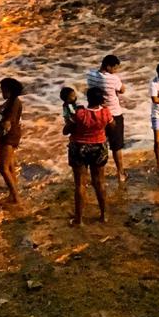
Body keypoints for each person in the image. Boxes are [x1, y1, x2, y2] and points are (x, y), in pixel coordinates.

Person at [63, 86, 112, 225]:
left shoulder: (80, 114)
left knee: (80, 184)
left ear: (88, 99)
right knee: (99, 182)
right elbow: (112, 126)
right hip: (99, 147)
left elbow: (66, 131)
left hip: (79, 148)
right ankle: (104, 215)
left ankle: (79, 219)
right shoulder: (105, 112)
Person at [86, 54, 128, 182]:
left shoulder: (90, 75)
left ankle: (98, 175)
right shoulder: (113, 79)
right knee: (116, 146)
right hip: (113, 114)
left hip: (97, 113)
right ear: (108, 67)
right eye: (115, 68)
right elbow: (122, 90)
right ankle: (120, 173)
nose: (116, 70)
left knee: (99, 144)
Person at [0, 78, 24, 205]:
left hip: (9, 137)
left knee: (3, 168)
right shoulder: (13, 101)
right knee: (10, 165)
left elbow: (8, 123)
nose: (1, 92)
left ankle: (16, 197)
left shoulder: (13, 103)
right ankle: (12, 195)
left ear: (8, 90)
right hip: (13, 135)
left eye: (2, 90)